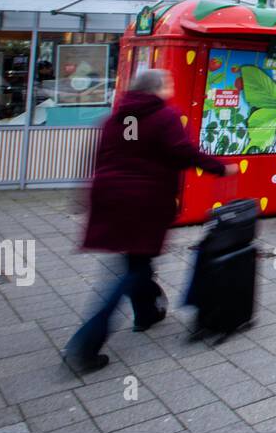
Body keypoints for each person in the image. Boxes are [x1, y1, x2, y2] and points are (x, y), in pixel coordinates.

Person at [63, 68, 236, 373]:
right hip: (143, 201)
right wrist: (221, 168)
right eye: (167, 83)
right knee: (131, 270)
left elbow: (101, 157)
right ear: (156, 89)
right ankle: (85, 343)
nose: (170, 86)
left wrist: (82, 196)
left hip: (110, 198)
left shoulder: (117, 118)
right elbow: (183, 152)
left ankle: (146, 313)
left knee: (135, 262)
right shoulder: (163, 116)